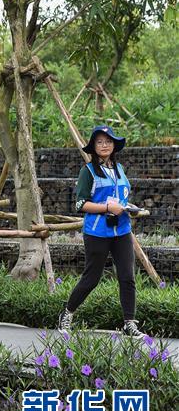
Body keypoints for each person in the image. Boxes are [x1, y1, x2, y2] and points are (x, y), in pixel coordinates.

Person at [58, 126, 144, 340]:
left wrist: (129, 208)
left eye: (108, 141)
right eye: (100, 142)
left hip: (122, 230)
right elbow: (80, 204)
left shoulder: (119, 169)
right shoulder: (88, 171)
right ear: (94, 147)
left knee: (127, 277)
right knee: (92, 278)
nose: (104, 145)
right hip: (97, 232)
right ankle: (67, 313)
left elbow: (121, 198)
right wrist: (107, 207)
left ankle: (129, 324)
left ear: (114, 145)